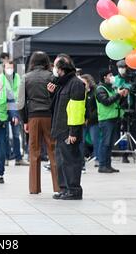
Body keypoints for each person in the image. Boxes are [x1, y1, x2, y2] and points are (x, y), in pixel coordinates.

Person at [18, 52, 59, 195]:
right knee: (53, 151)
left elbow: (20, 102)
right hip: (49, 116)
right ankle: (58, 187)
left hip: (33, 117)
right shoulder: (52, 77)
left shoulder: (25, 78)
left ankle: (34, 188)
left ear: (32, 62)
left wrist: (24, 120)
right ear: (46, 62)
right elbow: (57, 97)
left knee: (34, 152)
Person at [49, 57, 86, 200]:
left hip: (68, 130)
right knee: (61, 161)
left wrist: (73, 132)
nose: (54, 71)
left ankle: (74, 190)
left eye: (56, 68)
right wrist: (51, 93)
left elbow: (77, 110)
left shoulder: (76, 84)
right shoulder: (63, 84)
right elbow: (54, 107)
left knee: (71, 161)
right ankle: (64, 188)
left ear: (61, 69)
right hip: (60, 129)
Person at [96, 69, 127, 174]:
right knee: (105, 143)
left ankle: (108, 165)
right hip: (105, 119)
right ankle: (102, 165)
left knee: (109, 144)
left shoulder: (111, 88)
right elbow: (106, 102)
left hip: (113, 118)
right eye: (110, 75)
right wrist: (118, 94)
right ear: (105, 77)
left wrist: (122, 96)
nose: (112, 77)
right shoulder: (100, 88)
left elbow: (116, 102)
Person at [2, 60, 27, 166]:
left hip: (15, 107)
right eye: (7, 67)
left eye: (11, 67)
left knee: (16, 135)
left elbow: (19, 94)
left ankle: (18, 158)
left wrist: (16, 113)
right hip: (3, 108)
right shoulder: (0, 78)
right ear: (3, 68)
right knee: (5, 135)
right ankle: (6, 157)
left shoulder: (17, 77)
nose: (9, 70)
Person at [79, 74, 101, 171]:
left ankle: (98, 159)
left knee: (95, 140)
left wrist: (90, 118)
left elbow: (97, 108)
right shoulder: (79, 92)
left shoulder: (95, 92)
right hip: (82, 121)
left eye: (84, 82)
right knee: (81, 141)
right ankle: (81, 161)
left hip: (93, 121)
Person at [114, 60, 133, 164]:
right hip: (116, 107)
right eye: (119, 67)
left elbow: (131, 89)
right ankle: (116, 150)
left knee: (126, 131)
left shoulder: (130, 79)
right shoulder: (115, 79)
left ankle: (124, 154)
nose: (121, 69)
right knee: (116, 131)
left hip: (127, 107)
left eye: (123, 67)